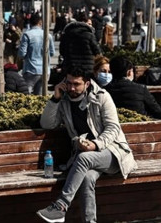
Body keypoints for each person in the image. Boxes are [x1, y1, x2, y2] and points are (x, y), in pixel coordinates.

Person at [36, 67, 137, 223]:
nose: (71, 88)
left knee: (84, 158)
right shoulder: (64, 101)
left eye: (76, 84)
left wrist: (96, 144)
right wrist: (55, 98)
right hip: (87, 157)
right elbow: (47, 124)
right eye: (68, 83)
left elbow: (113, 128)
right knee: (87, 178)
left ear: (87, 84)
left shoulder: (102, 97)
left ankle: (61, 206)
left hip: (114, 153)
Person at [105, 56, 161, 202]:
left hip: (117, 143)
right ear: (129, 72)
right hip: (142, 141)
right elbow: (160, 114)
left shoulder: (105, 91)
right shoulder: (139, 89)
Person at [18, 13, 55, 95]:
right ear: (40, 22)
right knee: (40, 96)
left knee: (26, 94)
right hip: (45, 70)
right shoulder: (48, 35)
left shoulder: (27, 35)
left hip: (30, 69)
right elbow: (52, 53)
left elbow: (21, 54)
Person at [60, 12, 100, 77]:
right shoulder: (89, 35)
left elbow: (62, 51)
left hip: (70, 68)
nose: (91, 26)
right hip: (87, 70)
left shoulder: (66, 34)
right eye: (89, 24)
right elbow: (97, 52)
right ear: (84, 23)